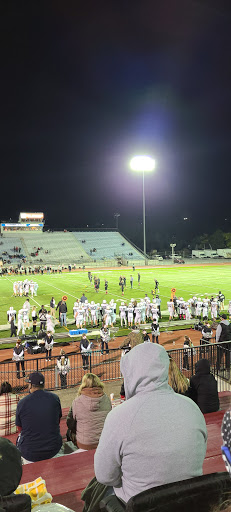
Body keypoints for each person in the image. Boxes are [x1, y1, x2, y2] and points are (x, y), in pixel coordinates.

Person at [94, 343, 207, 504]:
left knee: (97, 492)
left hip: (139, 505)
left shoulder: (118, 416)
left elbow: (105, 476)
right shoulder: (191, 407)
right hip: (189, 503)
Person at [16, 371, 62, 463]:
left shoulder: (22, 402)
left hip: (30, 453)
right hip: (53, 449)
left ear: (31, 385)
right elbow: (58, 420)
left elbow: (20, 429)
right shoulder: (55, 398)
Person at [67, 373, 111, 450]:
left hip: (84, 444)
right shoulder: (106, 398)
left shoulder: (77, 401)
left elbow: (70, 423)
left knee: (69, 432)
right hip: (104, 442)